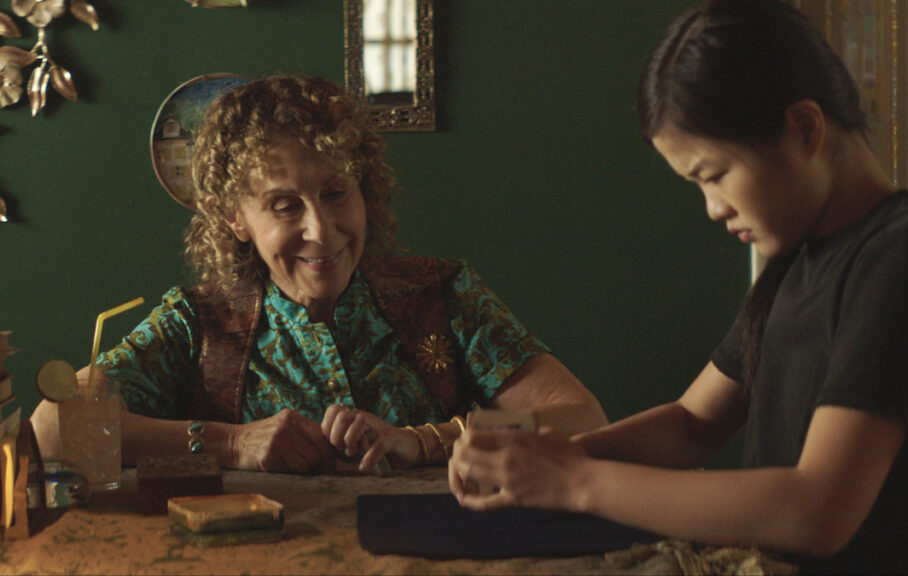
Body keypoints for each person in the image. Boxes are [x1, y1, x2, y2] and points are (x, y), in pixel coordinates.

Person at [447, 1, 908, 573]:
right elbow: (692, 424)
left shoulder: (906, 255)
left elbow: (818, 510)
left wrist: (576, 480)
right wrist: (547, 458)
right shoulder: (798, 257)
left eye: (714, 175)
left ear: (805, 128)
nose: (712, 208)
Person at [31, 75, 607, 474]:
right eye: (285, 206)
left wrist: (424, 441)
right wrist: (234, 443)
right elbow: (55, 428)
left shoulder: (444, 292)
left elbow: (582, 418)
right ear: (235, 217)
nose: (323, 230)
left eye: (337, 193)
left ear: (366, 190)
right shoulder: (195, 322)